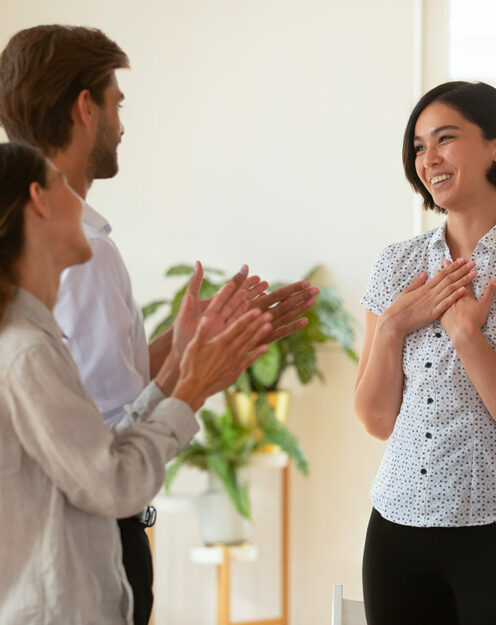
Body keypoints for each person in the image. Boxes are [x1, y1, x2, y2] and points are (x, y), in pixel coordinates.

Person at [0, 25, 318, 624]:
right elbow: (109, 456)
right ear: (84, 108)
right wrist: (193, 379)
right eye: (117, 103)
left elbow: (89, 407)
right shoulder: (72, 274)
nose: (123, 124)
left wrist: (191, 348)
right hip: (84, 547)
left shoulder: (35, 306)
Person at [0, 141, 275, 623]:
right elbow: (114, 485)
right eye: (62, 183)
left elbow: (93, 460)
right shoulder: (26, 352)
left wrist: (176, 367)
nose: (88, 207)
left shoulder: (33, 339)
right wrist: (192, 389)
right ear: (38, 201)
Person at [353, 81, 496, 625]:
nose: (429, 159)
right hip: (396, 536)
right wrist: (392, 329)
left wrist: (468, 338)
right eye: (419, 147)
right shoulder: (395, 266)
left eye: (445, 139)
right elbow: (377, 419)